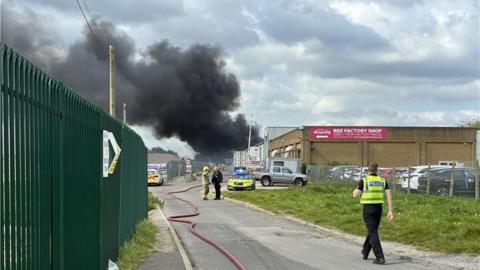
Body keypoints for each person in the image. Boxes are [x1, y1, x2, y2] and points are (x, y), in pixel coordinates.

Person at [352, 163, 394, 265]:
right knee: (373, 231)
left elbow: (355, 195)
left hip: (368, 209)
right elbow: (389, 196)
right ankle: (365, 252)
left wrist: (356, 190)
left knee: (372, 232)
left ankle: (380, 257)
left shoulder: (364, 180)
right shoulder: (382, 181)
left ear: (368, 171)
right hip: (378, 209)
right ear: (377, 171)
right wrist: (390, 211)